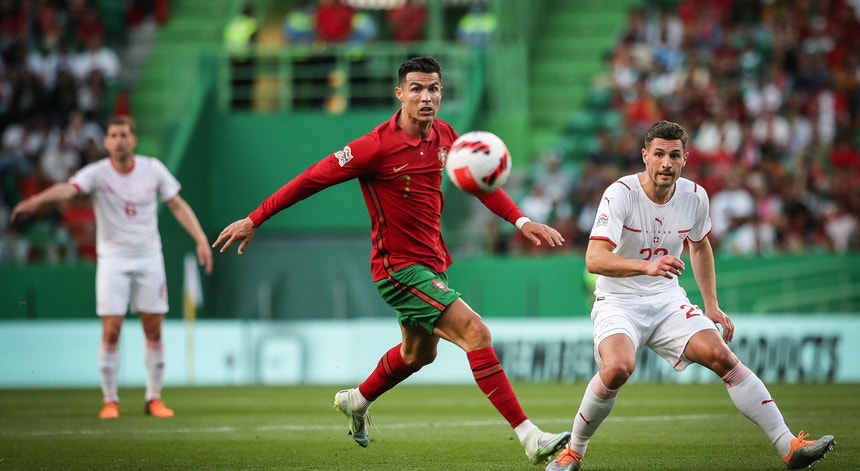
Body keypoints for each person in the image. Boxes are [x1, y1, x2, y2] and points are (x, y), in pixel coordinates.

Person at [212, 56, 571, 464]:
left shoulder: (446, 136)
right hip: (398, 270)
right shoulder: (375, 146)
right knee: (476, 333)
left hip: (433, 263)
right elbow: (312, 178)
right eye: (416, 88)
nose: (426, 97)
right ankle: (530, 437)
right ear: (399, 93)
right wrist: (256, 217)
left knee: (419, 355)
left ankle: (358, 400)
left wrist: (521, 220)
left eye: (433, 88)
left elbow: (480, 183)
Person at [546, 120, 836, 471]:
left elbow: (699, 248)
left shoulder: (696, 197)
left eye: (674, 155)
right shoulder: (619, 193)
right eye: (658, 154)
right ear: (645, 156)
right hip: (619, 301)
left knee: (722, 356)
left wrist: (711, 305)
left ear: (685, 159)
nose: (666, 163)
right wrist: (646, 267)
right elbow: (594, 259)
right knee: (618, 367)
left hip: (668, 300)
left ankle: (789, 446)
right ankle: (573, 452)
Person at [10, 115, 214, 419]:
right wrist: (37, 201)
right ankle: (110, 401)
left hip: (148, 258)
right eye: (114, 135)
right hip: (113, 260)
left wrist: (200, 238)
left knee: (154, 328)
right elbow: (69, 189)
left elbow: (177, 204)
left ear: (133, 140)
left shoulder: (152, 169)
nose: (119, 140)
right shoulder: (97, 174)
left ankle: (153, 398)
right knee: (111, 329)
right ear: (106, 142)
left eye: (124, 135)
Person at [223, 3, 259, 109]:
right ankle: (246, 107)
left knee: (235, 86)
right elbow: (253, 42)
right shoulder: (252, 23)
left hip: (232, 58)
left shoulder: (233, 23)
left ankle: (234, 107)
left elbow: (227, 40)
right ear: (250, 12)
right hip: (246, 59)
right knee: (246, 88)